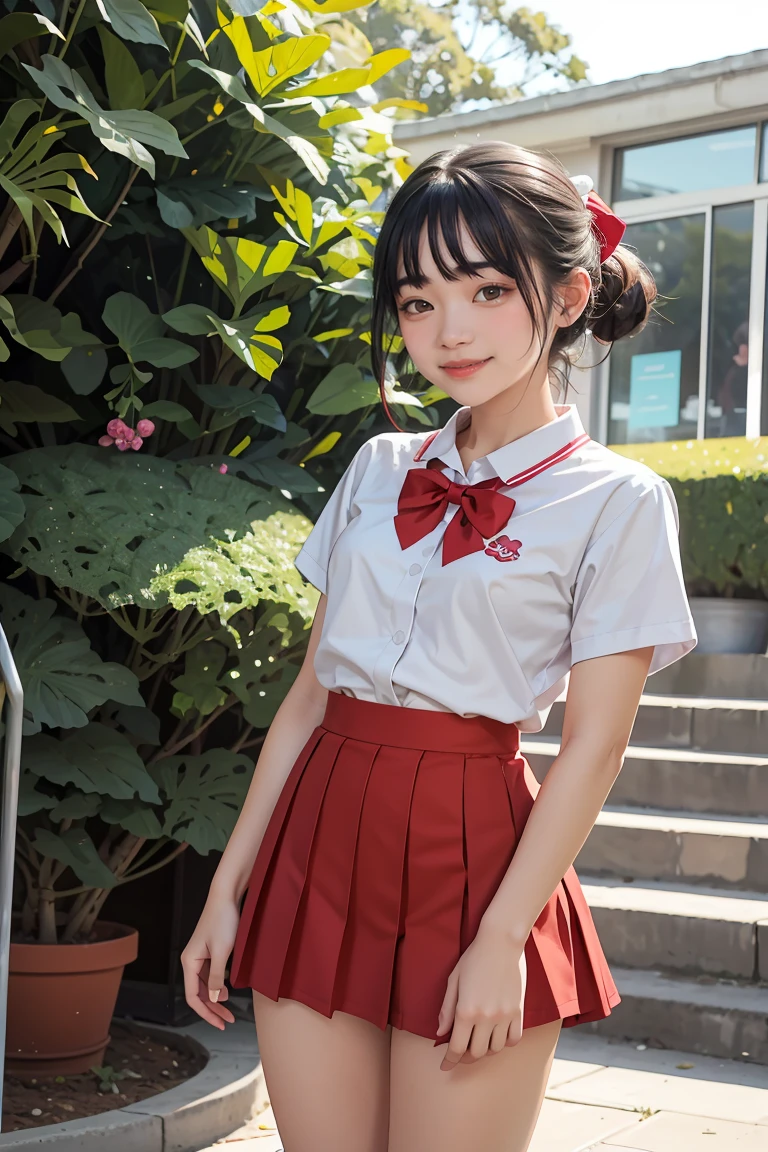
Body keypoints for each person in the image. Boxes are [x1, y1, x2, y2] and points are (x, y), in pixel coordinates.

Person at [181, 142, 698, 1152]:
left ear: (567, 295)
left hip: (476, 861)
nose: (448, 331)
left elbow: (596, 745)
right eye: (417, 302)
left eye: (487, 289)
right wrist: (226, 891)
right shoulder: (378, 469)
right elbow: (306, 700)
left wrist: (505, 933)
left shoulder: (618, 501)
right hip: (319, 845)